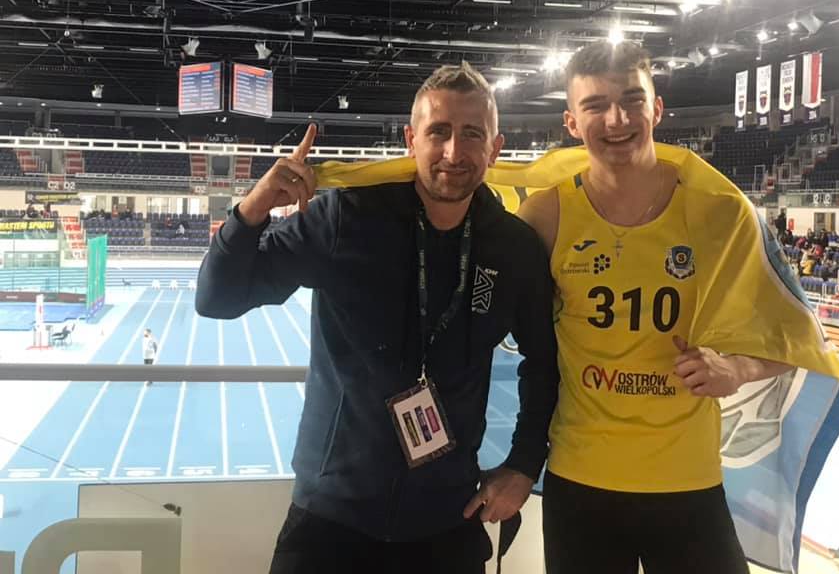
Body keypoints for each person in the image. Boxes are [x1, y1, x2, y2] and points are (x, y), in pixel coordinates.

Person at [195, 63, 558, 574]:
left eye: (472, 134)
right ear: (411, 140)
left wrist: (523, 465)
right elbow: (217, 298)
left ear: (495, 149)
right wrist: (253, 209)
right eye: (439, 131)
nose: (454, 152)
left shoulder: (514, 247)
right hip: (330, 520)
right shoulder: (347, 217)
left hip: (447, 521)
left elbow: (544, 363)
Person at [518, 41, 806, 574]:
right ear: (572, 122)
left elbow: (797, 334)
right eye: (595, 105)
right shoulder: (546, 216)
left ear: (656, 108)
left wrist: (736, 369)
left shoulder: (721, 213)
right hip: (581, 480)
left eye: (632, 100)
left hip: (688, 483)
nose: (617, 119)